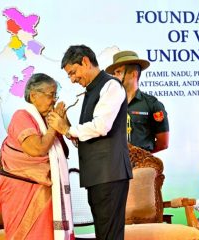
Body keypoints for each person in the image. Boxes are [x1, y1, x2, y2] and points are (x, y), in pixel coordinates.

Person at [47, 45, 133, 240]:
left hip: (109, 174)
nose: (72, 79)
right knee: (104, 234)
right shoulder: (91, 90)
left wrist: (66, 129)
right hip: (98, 176)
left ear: (85, 61)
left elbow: (101, 126)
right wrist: (67, 124)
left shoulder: (110, 86)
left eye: (73, 72)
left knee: (109, 235)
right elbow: (89, 136)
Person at [0, 73, 74, 240]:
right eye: (50, 95)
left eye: (55, 95)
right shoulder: (22, 116)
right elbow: (37, 149)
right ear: (33, 96)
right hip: (20, 191)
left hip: (45, 192)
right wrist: (53, 127)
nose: (53, 100)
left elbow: (63, 154)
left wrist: (62, 125)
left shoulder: (45, 120)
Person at [105, 50, 169, 153]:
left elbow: (163, 143)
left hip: (142, 165)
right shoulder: (107, 103)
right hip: (115, 164)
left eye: (118, 72)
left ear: (134, 74)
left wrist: (141, 156)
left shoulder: (152, 104)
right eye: (114, 73)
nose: (114, 77)